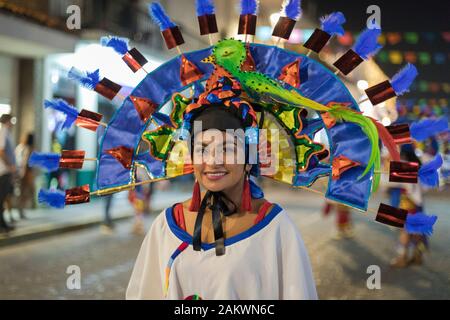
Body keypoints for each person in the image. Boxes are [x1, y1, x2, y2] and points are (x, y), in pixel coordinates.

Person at [126, 77, 318, 299]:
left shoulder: (275, 227)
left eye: (228, 148)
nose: (213, 161)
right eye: (202, 149)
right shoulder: (167, 225)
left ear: (249, 159)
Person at [0, 114, 16, 232]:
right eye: (12, 120)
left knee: (3, 197)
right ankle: (2, 225)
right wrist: (10, 165)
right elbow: (1, 151)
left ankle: (3, 224)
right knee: (1, 198)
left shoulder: (5, 132)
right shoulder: (3, 131)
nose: (13, 123)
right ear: (7, 121)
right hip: (4, 170)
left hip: (6, 170)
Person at [15, 132, 36, 219]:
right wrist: (23, 172)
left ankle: (21, 210)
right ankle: (21, 210)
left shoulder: (19, 147)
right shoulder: (28, 148)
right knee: (26, 192)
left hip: (19, 171)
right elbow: (25, 161)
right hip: (26, 173)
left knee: (22, 192)